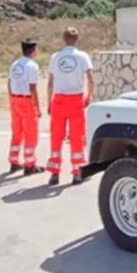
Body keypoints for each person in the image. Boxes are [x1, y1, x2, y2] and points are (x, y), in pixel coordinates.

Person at [46, 26, 94, 186]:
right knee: (77, 137)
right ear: (76, 39)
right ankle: (77, 173)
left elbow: (50, 82)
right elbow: (91, 79)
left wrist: (49, 102)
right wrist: (89, 96)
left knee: (56, 137)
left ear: (64, 39)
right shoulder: (82, 56)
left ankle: (54, 173)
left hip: (59, 100)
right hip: (75, 100)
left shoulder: (55, 57)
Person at [7, 39, 43, 175]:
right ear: (33, 50)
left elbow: (9, 83)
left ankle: (14, 161)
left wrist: (11, 99)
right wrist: (37, 107)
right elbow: (32, 88)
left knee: (17, 132)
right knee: (30, 134)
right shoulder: (32, 66)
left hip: (15, 99)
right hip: (26, 101)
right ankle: (30, 164)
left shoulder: (15, 64)